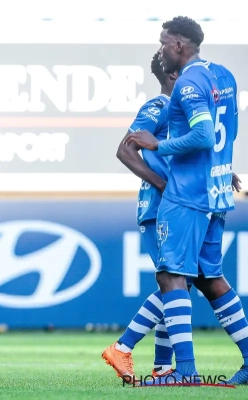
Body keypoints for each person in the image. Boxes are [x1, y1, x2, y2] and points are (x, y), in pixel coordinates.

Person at [125, 16, 247, 384]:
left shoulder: (188, 83)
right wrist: (222, 169)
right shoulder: (223, 75)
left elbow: (204, 135)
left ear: (178, 45)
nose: (161, 49)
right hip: (214, 191)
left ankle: (185, 371)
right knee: (210, 278)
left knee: (171, 276)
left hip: (187, 193)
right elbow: (227, 131)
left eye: (164, 42)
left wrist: (158, 144)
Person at [102, 52, 177, 379]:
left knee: (177, 286)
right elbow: (124, 149)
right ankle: (122, 347)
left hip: (172, 206)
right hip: (159, 207)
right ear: (173, 75)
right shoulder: (158, 106)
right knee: (177, 284)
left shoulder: (179, 110)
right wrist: (162, 184)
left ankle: (161, 367)